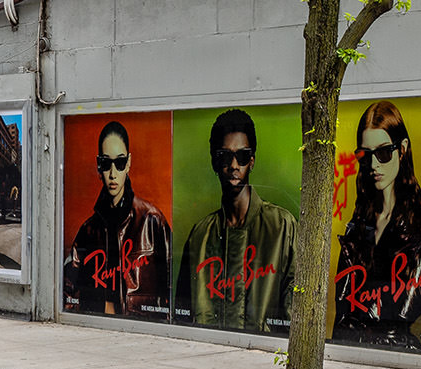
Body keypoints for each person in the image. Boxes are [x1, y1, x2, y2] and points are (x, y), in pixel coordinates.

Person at [335, 102, 421, 350]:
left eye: (383, 153)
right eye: (365, 155)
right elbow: (342, 318)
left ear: (402, 150)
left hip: (401, 355)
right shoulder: (358, 225)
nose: (374, 165)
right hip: (353, 354)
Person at [176, 109, 297, 333]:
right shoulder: (199, 236)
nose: (233, 165)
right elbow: (182, 316)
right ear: (214, 161)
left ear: (252, 161)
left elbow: (295, 318)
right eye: (225, 156)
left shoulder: (282, 227)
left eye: (242, 156)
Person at [65, 120, 173, 319]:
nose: (113, 174)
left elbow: (172, 292)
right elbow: (68, 293)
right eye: (106, 164)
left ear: (129, 163)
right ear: (99, 165)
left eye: (120, 163)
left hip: (141, 329)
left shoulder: (152, 222)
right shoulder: (88, 231)